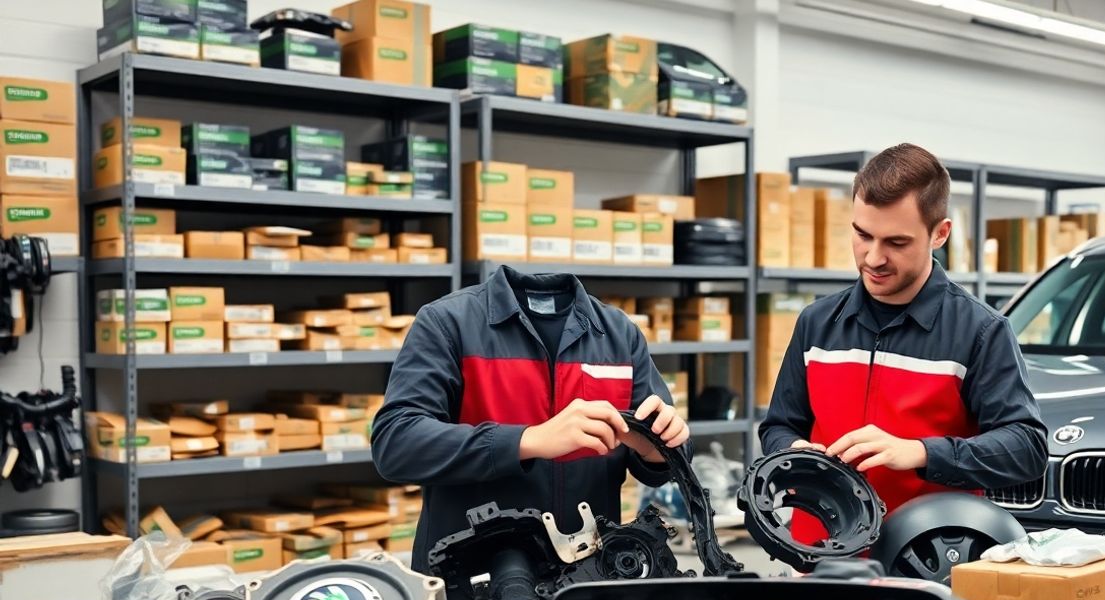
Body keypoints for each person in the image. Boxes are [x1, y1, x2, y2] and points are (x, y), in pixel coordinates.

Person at [759, 143, 1047, 542]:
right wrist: (794, 451)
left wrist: (922, 453)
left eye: (896, 243)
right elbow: (778, 425)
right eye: (863, 235)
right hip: (820, 557)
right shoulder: (817, 323)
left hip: (924, 563)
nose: (873, 258)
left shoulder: (981, 331)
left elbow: (1026, 448)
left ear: (939, 233)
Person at [371, 266, 689, 573]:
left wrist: (658, 448)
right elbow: (397, 442)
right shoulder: (448, 322)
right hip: (471, 582)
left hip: (587, 577)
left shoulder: (618, 334)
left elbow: (668, 456)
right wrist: (528, 441)